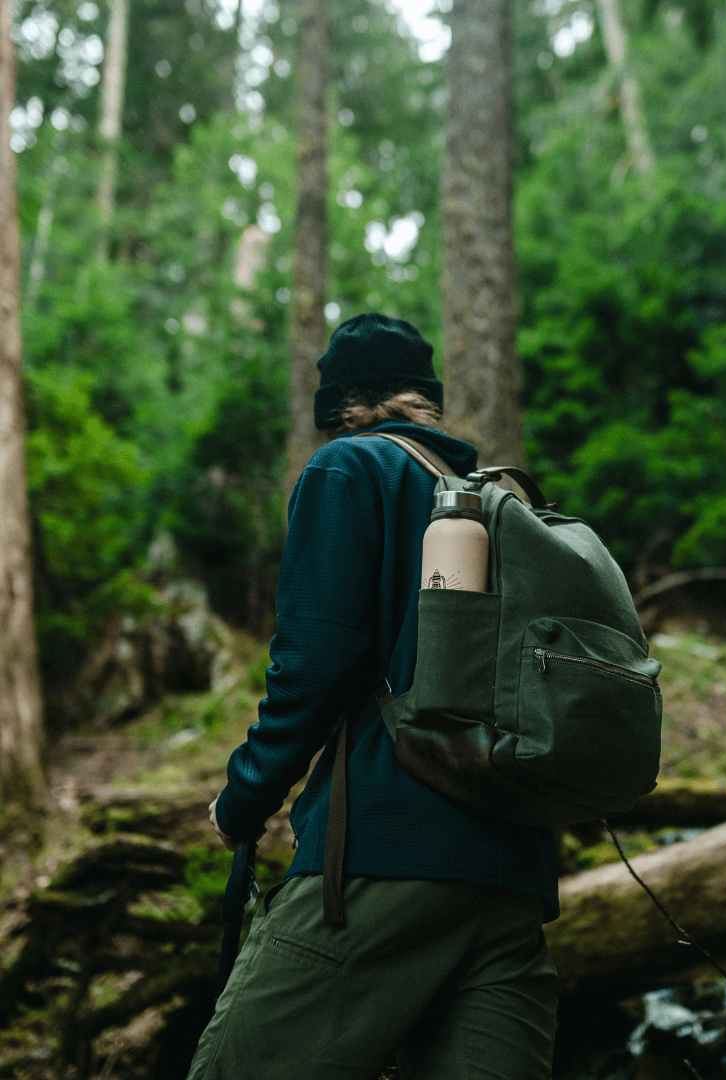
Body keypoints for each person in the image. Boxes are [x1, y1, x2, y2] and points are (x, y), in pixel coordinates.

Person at [186, 313, 560, 1080]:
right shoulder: (496, 498)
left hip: (385, 852)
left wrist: (244, 797)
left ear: (340, 406)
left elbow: (314, 663)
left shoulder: (347, 469)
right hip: (513, 871)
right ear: (425, 400)